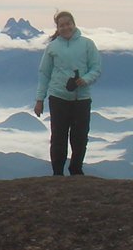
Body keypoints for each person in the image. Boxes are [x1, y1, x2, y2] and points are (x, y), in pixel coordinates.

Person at [33, 10, 102, 175]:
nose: (65, 27)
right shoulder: (52, 47)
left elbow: (96, 68)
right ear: (57, 28)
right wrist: (39, 99)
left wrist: (85, 79)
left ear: (74, 24)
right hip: (58, 98)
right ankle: (58, 172)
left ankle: (76, 169)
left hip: (82, 98)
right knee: (58, 137)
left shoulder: (87, 44)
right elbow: (44, 74)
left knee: (80, 138)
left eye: (68, 24)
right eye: (61, 25)